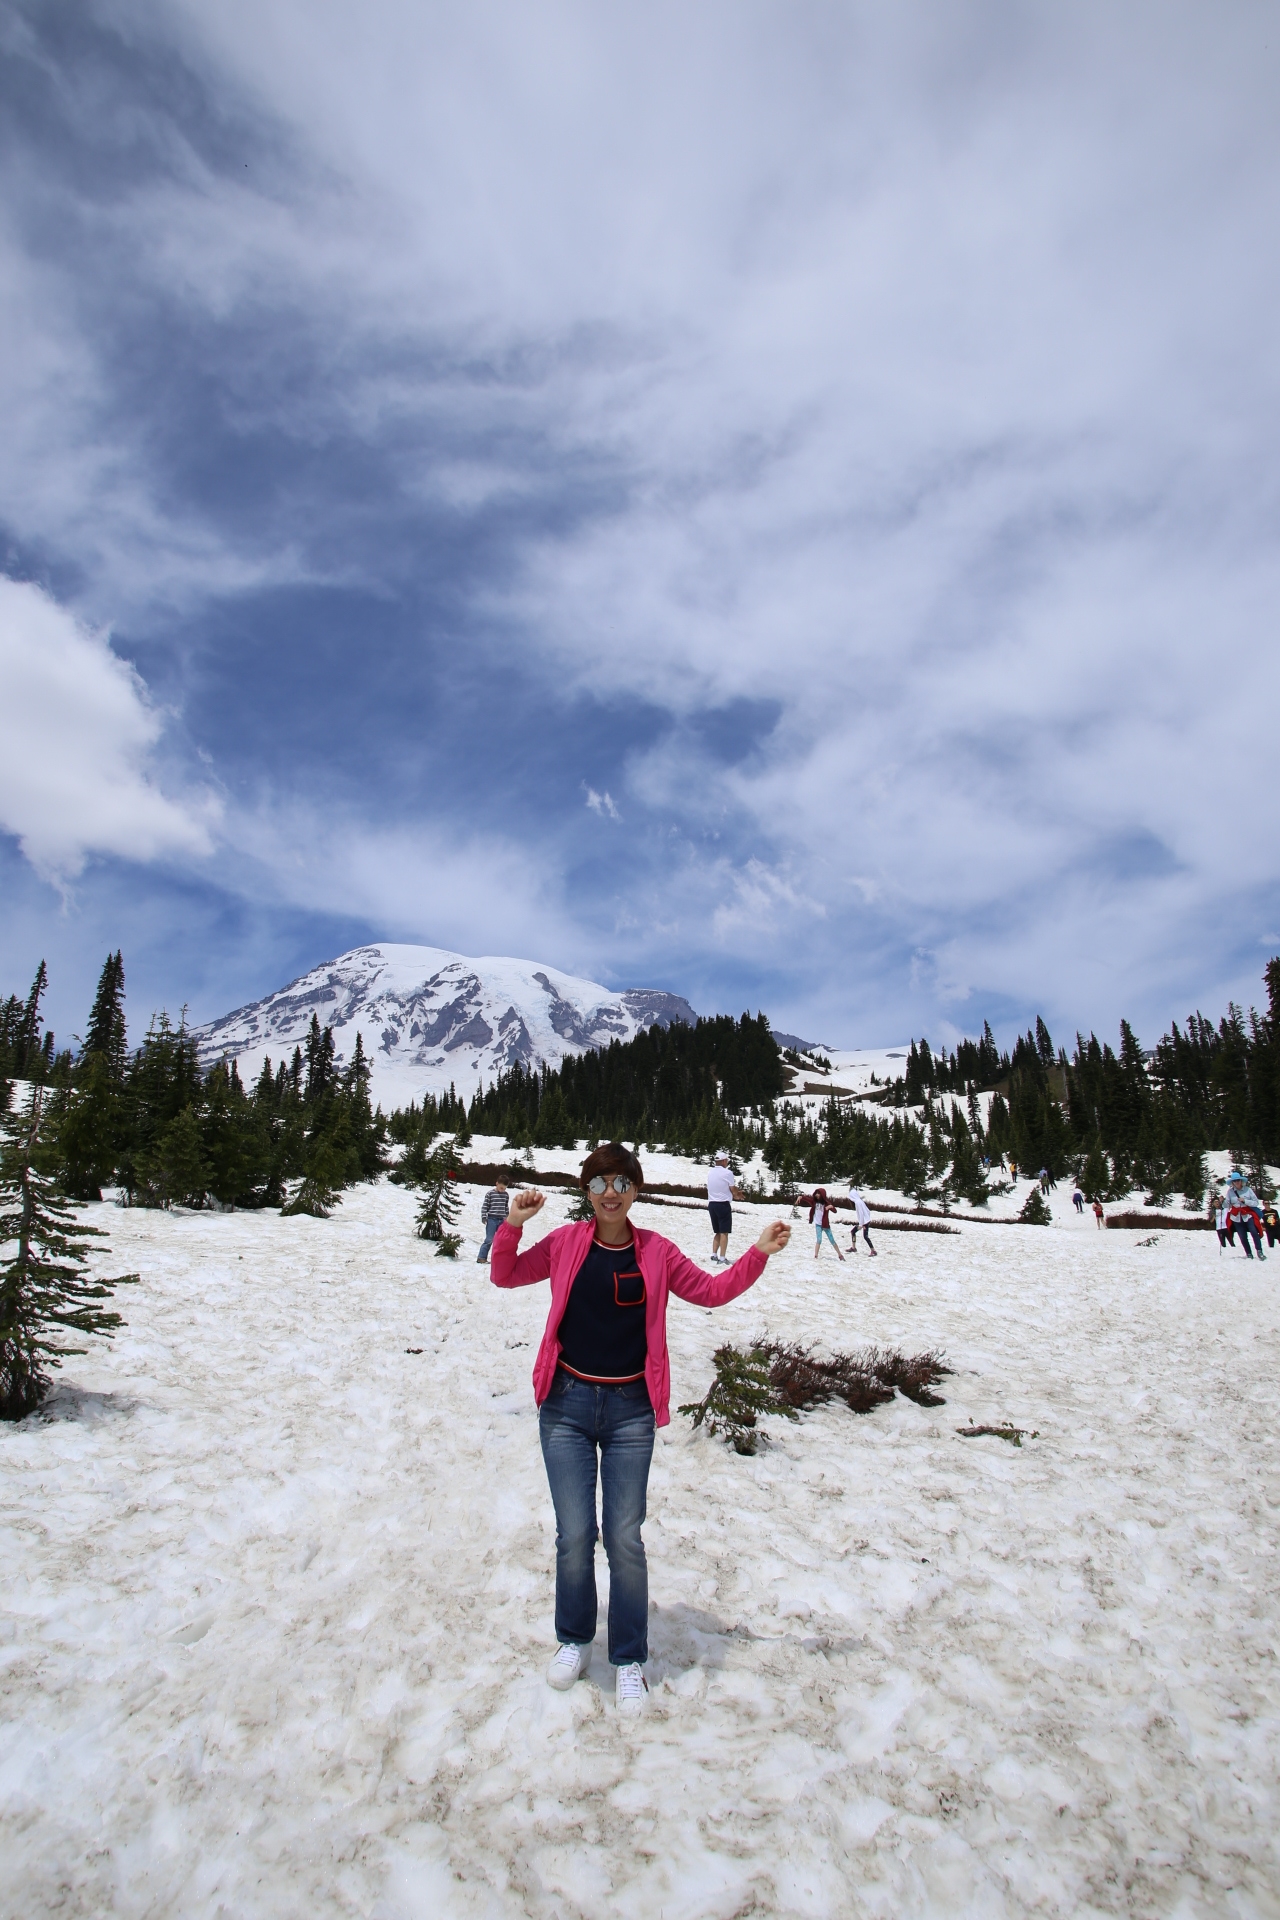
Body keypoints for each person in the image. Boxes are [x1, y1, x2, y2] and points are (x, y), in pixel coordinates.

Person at [490, 1143, 791, 1717]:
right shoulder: (565, 1243)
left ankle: (629, 1657)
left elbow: (710, 1291)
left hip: (630, 1411)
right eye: (599, 1182)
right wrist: (511, 1226)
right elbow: (505, 1276)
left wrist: (755, 1254)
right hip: (566, 1406)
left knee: (624, 1538)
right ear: (587, 1191)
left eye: (621, 1182)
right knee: (575, 1535)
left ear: (635, 1190)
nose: (610, 1192)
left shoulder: (655, 1250)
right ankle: (574, 1640)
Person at [706, 1149, 743, 1264]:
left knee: (717, 1231)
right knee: (724, 1232)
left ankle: (713, 1254)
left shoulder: (710, 1172)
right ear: (723, 1161)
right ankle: (722, 1257)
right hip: (723, 1204)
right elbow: (732, 1189)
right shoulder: (727, 1173)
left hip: (712, 1204)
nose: (727, 1162)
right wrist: (737, 1195)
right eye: (726, 1160)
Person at [1225, 1171, 1266, 1261]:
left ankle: (1259, 1251)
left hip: (1248, 1214)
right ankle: (1248, 1253)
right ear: (1232, 1182)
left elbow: (1256, 1202)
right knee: (1242, 1236)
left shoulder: (1248, 1190)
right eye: (1235, 1181)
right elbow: (1226, 1204)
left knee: (1254, 1232)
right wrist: (1224, 1203)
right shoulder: (1230, 1192)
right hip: (1236, 1216)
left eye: (1238, 1180)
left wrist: (1245, 1201)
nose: (1237, 1182)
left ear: (1241, 1180)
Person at [476, 1175, 510, 1262]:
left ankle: (498, 1259)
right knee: (489, 1239)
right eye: (501, 1188)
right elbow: (485, 1207)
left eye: (504, 1188)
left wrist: (508, 1218)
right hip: (492, 1219)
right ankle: (481, 1257)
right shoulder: (490, 1194)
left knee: (501, 1240)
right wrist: (484, 1217)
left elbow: (506, 1207)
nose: (502, 1190)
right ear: (497, 1184)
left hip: (502, 1220)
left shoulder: (506, 1195)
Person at [807, 1187, 845, 1261]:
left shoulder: (826, 1203)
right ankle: (816, 1256)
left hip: (825, 1225)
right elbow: (807, 1199)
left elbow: (835, 1211)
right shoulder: (814, 1202)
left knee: (832, 1240)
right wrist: (801, 1197)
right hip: (818, 1225)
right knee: (819, 1240)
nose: (817, 1195)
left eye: (819, 1193)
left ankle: (840, 1255)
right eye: (816, 1193)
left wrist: (831, 1207)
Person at [846, 1184, 877, 1255]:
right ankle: (853, 1248)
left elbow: (861, 1214)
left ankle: (873, 1250)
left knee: (865, 1236)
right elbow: (867, 1211)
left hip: (864, 1222)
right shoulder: (860, 1201)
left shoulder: (857, 1203)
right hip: (865, 1221)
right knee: (853, 1232)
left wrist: (862, 1224)